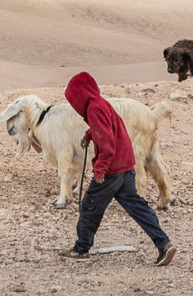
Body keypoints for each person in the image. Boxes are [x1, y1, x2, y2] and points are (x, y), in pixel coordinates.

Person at [58, 71, 177, 266]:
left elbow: (107, 144)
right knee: (138, 207)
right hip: (126, 164)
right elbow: (108, 127)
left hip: (111, 170)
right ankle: (164, 244)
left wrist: (100, 170)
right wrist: (89, 135)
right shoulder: (102, 104)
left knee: (89, 206)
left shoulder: (93, 109)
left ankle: (81, 248)